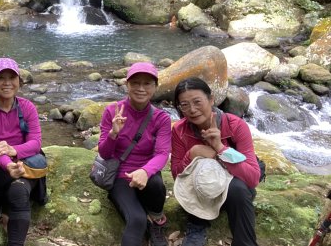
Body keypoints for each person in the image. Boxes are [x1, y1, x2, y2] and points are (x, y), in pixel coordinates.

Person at [171, 77, 261, 246]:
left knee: (238, 188)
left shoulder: (235, 125)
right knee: (202, 176)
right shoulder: (179, 130)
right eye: (184, 105)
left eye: (197, 102)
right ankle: (197, 223)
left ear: (211, 100)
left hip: (234, 188)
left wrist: (220, 148)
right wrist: (193, 153)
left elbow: (253, 178)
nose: (192, 110)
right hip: (201, 189)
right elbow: (177, 175)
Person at [0, 58, 47, 246]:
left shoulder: (28, 107)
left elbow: (36, 143)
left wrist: (14, 150)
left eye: (12, 77)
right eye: (1, 78)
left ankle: (8, 224)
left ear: (19, 82)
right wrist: (9, 165)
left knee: (18, 191)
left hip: (24, 163)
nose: (7, 83)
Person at [98, 62, 171, 246]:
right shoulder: (112, 111)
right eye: (135, 83)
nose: (140, 88)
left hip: (147, 175)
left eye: (147, 83)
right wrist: (113, 133)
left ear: (155, 87)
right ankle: (143, 216)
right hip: (120, 176)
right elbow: (105, 154)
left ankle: (156, 220)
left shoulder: (161, 118)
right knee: (137, 220)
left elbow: (162, 153)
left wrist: (145, 171)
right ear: (127, 85)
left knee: (156, 184)